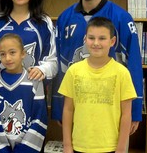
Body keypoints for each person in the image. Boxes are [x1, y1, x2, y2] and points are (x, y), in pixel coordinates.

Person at [51, 0, 143, 135]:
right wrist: (58, 106)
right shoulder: (64, 18)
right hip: (78, 110)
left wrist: (135, 110)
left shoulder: (121, 18)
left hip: (111, 110)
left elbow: (134, 65)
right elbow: (59, 66)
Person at [59, 17, 137, 153]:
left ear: (112, 41)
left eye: (102, 38)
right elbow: (68, 110)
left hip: (111, 147)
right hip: (79, 146)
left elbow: (126, 114)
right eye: (91, 38)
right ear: (85, 39)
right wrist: (67, 145)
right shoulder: (73, 71)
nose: (96, 43)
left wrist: (121, 148)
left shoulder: (122, 73)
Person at [0, 33, 48, 152]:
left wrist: (25, 149)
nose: (7, 58)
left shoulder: (34, 81)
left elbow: (39, 119)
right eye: (3, 54)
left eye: (12, 52)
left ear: (23, 54)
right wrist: (1, 150)